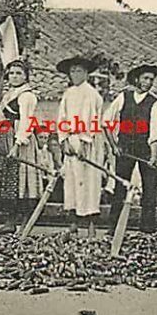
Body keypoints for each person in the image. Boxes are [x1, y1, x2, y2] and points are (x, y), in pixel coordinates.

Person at [0, 58, 45, 234]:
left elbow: (27, 121)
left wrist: (17, 144)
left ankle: (25, 223)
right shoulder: (8, 95)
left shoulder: (27, 96)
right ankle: (10, 222)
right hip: (6, 137)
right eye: (11, 73)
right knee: (8, 179)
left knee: (24, 181)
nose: (15, 76)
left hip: (21, 139)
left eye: (19, 73)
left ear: (26, 76)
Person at [105, 64, 157, 234]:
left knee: (149, 188)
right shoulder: (124, 96)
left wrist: (153, 156)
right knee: (120, 187)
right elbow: (106, 122)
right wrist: (114, 146)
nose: (148, 82)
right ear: (137, 79)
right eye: (145, 78)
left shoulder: (155, 103)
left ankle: (147, 229)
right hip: (124, 148)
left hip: (145, 149)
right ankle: (113, 227)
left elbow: (155, 132)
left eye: (151, 79)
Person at [56, 56, 105, 238]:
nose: (75, 74)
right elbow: (62, 118)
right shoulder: (68, 94)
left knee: (89, 182)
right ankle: (73, 221)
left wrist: (85, 141)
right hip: (71, 140)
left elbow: (91, 119)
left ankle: (91, 223)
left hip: (88, 142)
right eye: (73, 71)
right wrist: (64, 140)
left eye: (79, 71)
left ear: (86, 73)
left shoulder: (91, 94)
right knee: (72, 182)